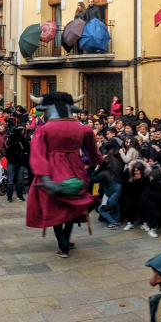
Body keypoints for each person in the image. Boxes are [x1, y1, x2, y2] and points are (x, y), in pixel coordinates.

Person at [25, 92, 99, 258]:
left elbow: (38, 155)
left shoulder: (43, 129)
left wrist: (43, 175)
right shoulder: (82, 128)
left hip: (52, 171)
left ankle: (63, 244)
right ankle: (66, 239)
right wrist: (94, 162)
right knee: (72, 206)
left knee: (54, 207)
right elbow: (93, 153)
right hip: (76, 170)